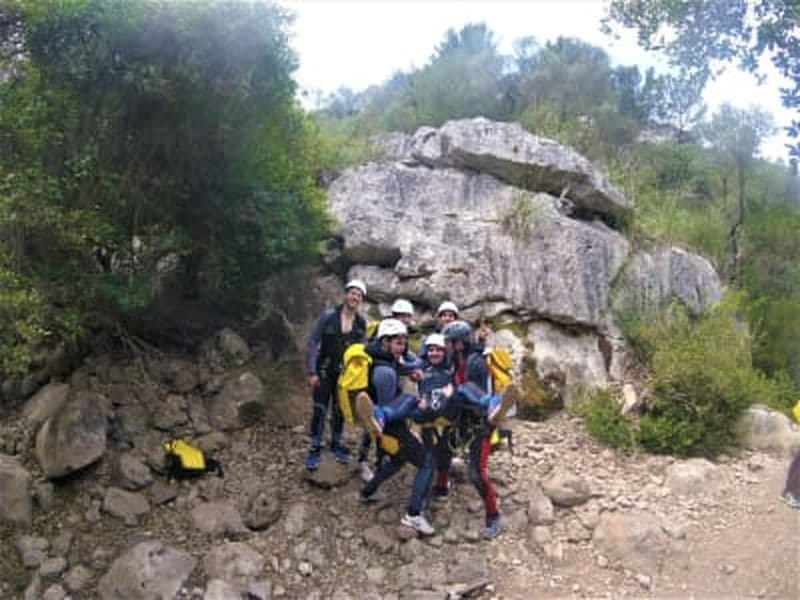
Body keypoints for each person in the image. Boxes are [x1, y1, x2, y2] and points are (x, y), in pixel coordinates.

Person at [354, 319, 434, 535]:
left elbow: (403, 365)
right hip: (391, 428)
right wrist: (416, 406)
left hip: (386, 429)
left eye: (404, 342)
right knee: (427, 463)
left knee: (399, 460)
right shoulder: (385, 372)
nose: (403, 347)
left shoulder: (381, 361)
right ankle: (413, 515)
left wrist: (411, 372)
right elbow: (392, 408)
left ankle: (367, 492)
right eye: (398, 343)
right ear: (384, 342)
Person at [440, 320, 519, 539]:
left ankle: (492, 516)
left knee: (476, 473)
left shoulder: (476, 362)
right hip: (464, 421)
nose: (447, 345)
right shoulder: (458, 359)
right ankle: (440, 488)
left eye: (450, 341)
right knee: (442, 453)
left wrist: (455, 393)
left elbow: (472, 390)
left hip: (481, 422)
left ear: (459, 343)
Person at [304, 279, 367, 471]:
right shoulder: (328, 316)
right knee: (320, 409)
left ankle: (335, 443)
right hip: (324, 370)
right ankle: (314, 447)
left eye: (359, 295)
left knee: (340, 411)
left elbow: (362, 351)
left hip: (345, 376)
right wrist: (312, 371)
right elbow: (313, 342)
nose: (355, 297)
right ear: (345, 294)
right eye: (352, 292)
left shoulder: (361, 323)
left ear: (361, 300)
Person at [356, 299, 422, 481]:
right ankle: (370, 461)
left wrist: (411, 367)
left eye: (408, 316)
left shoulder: (394, 336)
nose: (406, 319)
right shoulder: (388, 334)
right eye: (402, 316)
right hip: (381, 384)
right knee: (379, 423)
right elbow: (399, 362)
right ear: (394, 316)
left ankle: (379, 458)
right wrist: (413, 367)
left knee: (381, 421)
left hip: (388, 382)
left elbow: (403, 360)